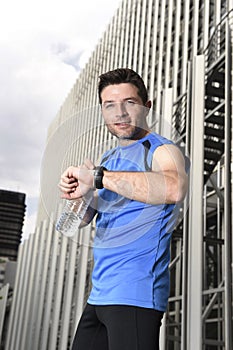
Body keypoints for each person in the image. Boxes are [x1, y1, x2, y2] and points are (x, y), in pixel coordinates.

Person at [59, 68, 188, 350]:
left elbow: (174, 188)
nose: (120, 113)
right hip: (99, 296)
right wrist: (77, 193)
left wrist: (97, 178)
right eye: (110, 105)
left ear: (147, 107)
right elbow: (73, 224)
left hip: (135, 294)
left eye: (129, 102)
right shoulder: (108, 158)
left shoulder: (161, 150)